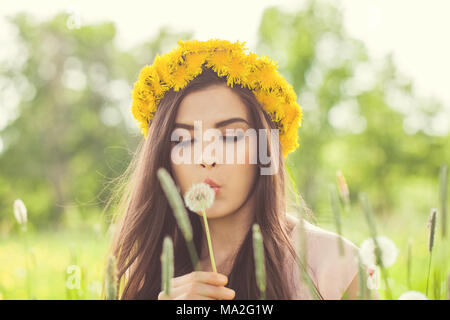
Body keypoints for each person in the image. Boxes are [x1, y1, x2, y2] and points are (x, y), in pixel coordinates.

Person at [106, 39, 380, 300]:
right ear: (164, 158)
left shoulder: (335, 264)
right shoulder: (144, 271)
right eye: (184, 139)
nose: (206, 158)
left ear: (266, 149)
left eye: (232, 136)